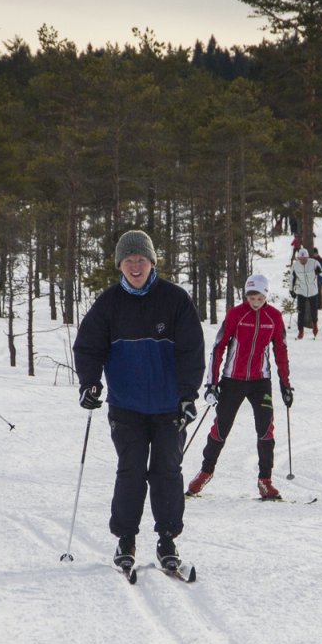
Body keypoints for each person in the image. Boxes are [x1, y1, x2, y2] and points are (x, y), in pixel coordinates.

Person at [73, 230, 205, 572]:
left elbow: (191, 351)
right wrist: (89, 384)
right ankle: (126, 538)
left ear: (152, 262)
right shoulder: (109, 303)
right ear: (120, 264)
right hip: (126, 406)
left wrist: (188, 395)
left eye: (141, 260)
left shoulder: (175, 299)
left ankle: (167, 539)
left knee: (167, 472)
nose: (135, 266)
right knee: (130, 471)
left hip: (169, 407)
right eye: (129, 260)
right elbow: (88, 347)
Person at [186, 273, 293, 501]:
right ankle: (205, 473)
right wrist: (212, 383)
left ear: (266, 295)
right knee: (221, 427)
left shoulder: (274, 317)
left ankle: (265, 481)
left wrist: (285, 384)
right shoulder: (236, 314)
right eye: (251, 298)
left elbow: (281, 350)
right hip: (233, 380)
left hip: (260, 381)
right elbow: (218, 347)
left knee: (266, 430)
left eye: (260, 298)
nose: (255, 303)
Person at [288, 246, 322, 340]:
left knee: (313, 310)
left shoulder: (314, 263)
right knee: (301, 312)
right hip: (301, 290)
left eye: (305, 258)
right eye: (301, 258)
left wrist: (319, 271)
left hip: (313, 290)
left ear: (307, 257)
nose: (303, 260)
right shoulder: (295, 265)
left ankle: (315, 325)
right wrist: (291, 290)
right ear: (298, 258)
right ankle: (300, 331)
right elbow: (291, 278)